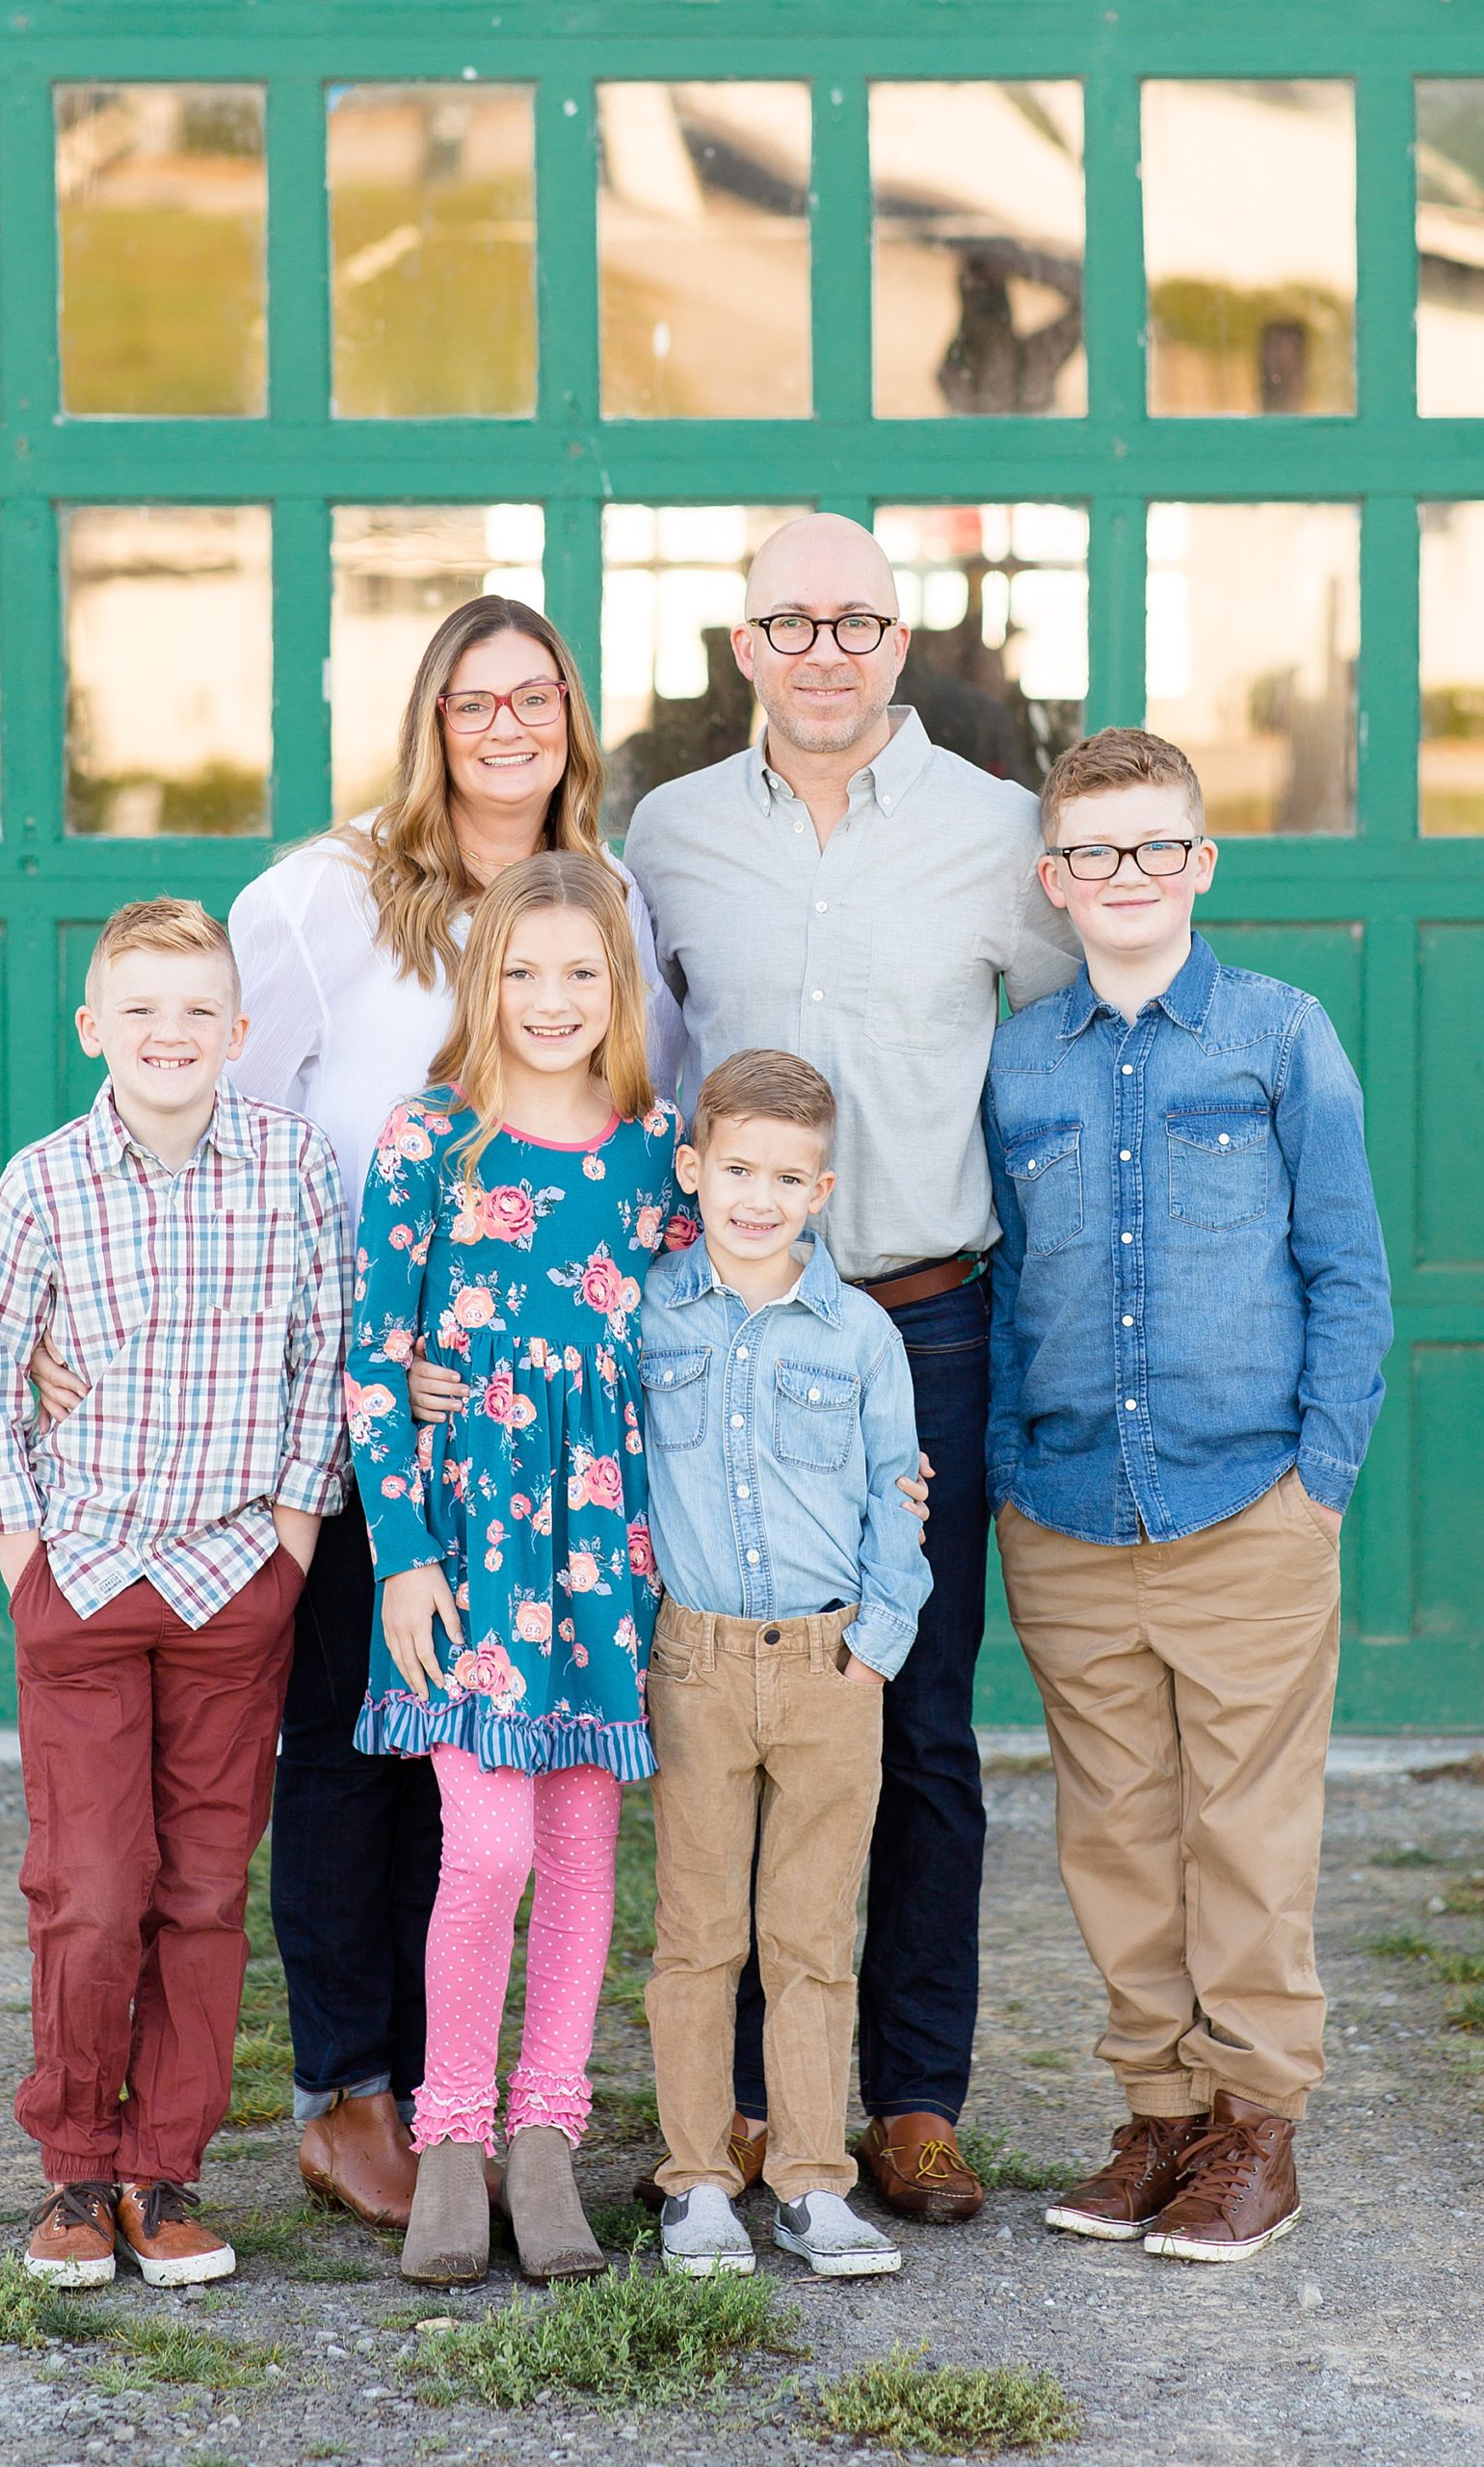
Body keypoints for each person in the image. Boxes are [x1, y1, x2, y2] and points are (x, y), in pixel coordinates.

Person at [27, 598, 680, 2233]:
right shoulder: (322, 898)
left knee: (470, 1776)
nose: (508, 726)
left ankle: (471, 2093)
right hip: (337, 1387)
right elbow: (186, 1102)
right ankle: (350, 2093)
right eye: (474, 700)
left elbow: (644, 1143)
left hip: (532, 1443)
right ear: (428, 720)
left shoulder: (609, 897)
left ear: (572, 716)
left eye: (536, 697)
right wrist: (70, 1311)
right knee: (347, 1744)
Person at [622, 512, 1081, 2222]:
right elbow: (620, 1064)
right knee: (732, 1715)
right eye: (790, 624)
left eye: (855, 623)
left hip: (920, 1322)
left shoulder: (996, 832)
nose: (823, 651)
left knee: (915, 1715)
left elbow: (1065, 1041)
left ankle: (912, 2099)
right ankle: (751, 2102)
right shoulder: (668, 835)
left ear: (900, 642)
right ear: (742, 646)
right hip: (724, 1340)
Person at [984, 728, 1391, 2263]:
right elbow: (1004, 1283)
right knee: (1110, 1831)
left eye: (1156, 846)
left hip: (1244, 1502)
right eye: (1093, 852)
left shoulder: (1279, 1037)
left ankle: (1253, 2128)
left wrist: (1316, 1482)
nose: (1127, 874)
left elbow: (1346, 1272)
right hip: (1067, 1509)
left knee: (1246, 1833)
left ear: (1199, 862)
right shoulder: (1018, 1059)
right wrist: (1009, 1475)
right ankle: (1156, 2115)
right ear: (1052, 879)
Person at [0, 899, 350, 2291]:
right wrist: (29, 1567)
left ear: (238, 1031)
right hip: (87, 1576)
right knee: (92, 1887)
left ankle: (163, 2171)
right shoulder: (43, 1183)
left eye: (196, 1011)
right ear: (92, 1029)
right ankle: (76, 2166)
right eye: (140, 1009)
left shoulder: (293, 1167)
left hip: (235, 1580)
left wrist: (288, 1550)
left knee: (200, 1890)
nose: (168, 1033)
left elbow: (322, 1365)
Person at [348, 851, 697, 2288]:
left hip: (601, 1550)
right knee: (484, 1848)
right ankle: (452, 2133)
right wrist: (401, 1557)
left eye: (581, 972)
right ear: (481, 981)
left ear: (621, 986)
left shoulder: (655, 1150)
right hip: (471, 1550)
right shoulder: (429, 1139)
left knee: (579, 1853)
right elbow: (375, 1360)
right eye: (523, 971)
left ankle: (547, 2131)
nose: (552, 999)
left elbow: (708, 1329)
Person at [641, 1050, 931, 2281]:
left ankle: (813, 2180)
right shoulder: (647, 1313)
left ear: (823, 1190)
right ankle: (699, 2180)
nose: (759, 1197)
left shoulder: (861, 1332)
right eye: (738, 1170)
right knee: (699, 1933)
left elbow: (899, 1493)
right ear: (694, 1169)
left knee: (812, 1934)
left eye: (788, 1177)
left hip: (828, 1662)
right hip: (694, 1661)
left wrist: (875, 1649)